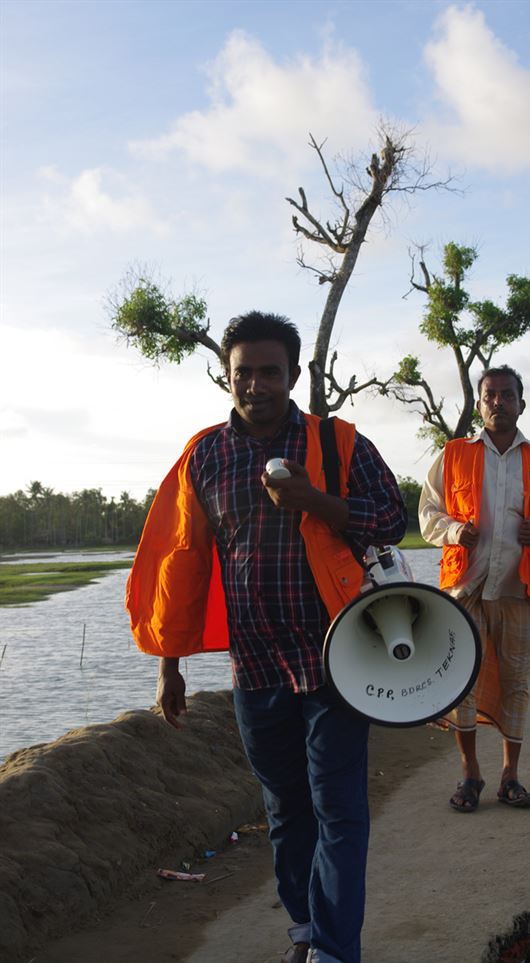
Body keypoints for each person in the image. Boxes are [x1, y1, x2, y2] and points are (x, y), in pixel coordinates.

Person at [126, 311, 407, 963]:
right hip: (255, 669)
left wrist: (316, 500)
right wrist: (170, 664)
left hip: (340, 658)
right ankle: (308, 930)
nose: (256, 384)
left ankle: (336, 950)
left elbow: (392, 518)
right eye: (242, 372)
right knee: (285, 814)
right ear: (226, 377)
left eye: (269, 371)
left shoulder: (339, 444)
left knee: (338, 811)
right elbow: (185, 560)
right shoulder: (206, 455)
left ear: (293, 374)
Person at [419, 365, 530, 813]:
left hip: (519, 591)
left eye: (507, 395)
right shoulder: (453, 454)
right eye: (490, 396)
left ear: (522, 403)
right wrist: (451, 532)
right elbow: (428, 510)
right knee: (462, 680)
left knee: (516, 684)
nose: (498, 403)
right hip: (464, 589)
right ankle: (471, 776)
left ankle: (510, 777)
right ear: (480, 402)